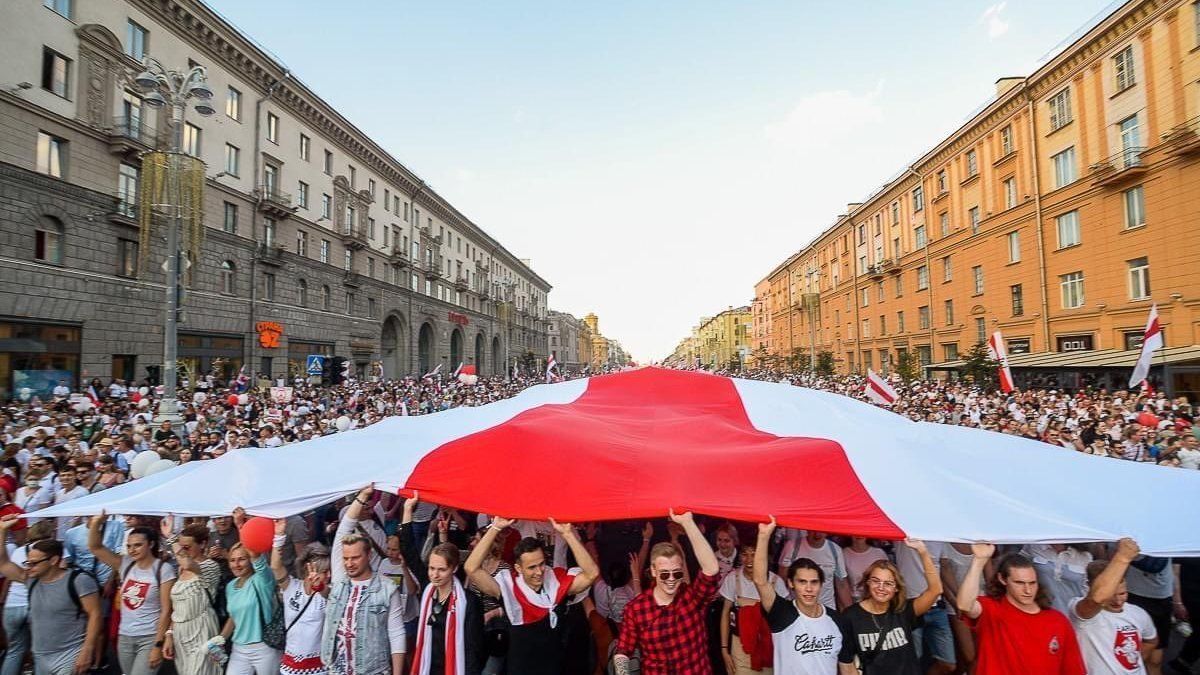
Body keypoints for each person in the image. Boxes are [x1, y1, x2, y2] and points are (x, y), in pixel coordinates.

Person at [465, 515, 600, 675]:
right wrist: (495, 528)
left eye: (542, 564)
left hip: (555, 669)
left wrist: (568, 534)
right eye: (531, 567)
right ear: (519, 568)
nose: (539, 572)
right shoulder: (509, 587)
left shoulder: (556, 581)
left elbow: (592, 573)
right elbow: (471, 568)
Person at [614, 509, 721, 675]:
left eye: (677, 573)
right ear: (654, 571)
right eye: (665, 574)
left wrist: (688, 523)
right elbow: (623, 651)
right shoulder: (636, 609)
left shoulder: (691, 598)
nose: (671, 579)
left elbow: (712, 569)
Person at [956, 543, 1086, 675]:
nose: (1028, 590)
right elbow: (964, 605)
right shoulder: (991, 609)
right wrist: (979, 561)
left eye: (1032, 583)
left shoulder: (1058, 621)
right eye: (1019, 583)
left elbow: (1073, 669)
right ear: (1002, 579)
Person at [0, 514, 103, 675]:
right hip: (41, 655)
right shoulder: (31, 580)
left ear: (54, 560)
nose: (29, 567)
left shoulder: (78, 580)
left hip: (70, 654)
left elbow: (95, 614)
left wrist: (87, 650)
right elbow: (3, 564)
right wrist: (2, 531)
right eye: (28, 562)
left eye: (34, 563)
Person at [752, 516, 855, 675]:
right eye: (802, 582)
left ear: (821, 585)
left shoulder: (838, 621)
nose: (808, 588)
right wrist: (764, 537)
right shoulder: (781, 613)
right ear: (791, 583)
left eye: (814, 582)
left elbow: (847, 668)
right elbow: (760, 580)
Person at [322, 487, 408, 675]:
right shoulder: (340, 578)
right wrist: (361, 497)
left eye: (355, 558)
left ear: (368, 555)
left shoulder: (387, 589)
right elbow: (343, 528)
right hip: (337, 669)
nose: (349, 563)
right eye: (345, 559)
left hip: (374, 670)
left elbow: (396, 633)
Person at [400, 491, 485, 674]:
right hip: (428, 666)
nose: (435, 575)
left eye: (441, 570)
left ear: (454, 569)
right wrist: (407, 510)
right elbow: (408, 551)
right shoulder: (427, 590)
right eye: (431, 569)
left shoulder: (469, 602)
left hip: (455, 668)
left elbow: (473, 649)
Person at [88, 511, 175, 675]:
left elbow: (166, 611)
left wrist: (158, 644)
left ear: (150, 544)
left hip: (149, 637)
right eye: (129, 546)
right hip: (125, 636)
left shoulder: (164, 570)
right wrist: (96, 523)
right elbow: (95, 547)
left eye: (137, 545)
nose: (132, 550)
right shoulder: (125, 564)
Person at [842, 539, 943, 675]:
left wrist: (923, 552)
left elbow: (935, 590)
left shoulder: (903, 609)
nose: (881, 588)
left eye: (888, 583)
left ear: (896, 588)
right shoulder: (850, 616)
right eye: (876, 581)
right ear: (867, 583)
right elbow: (847, 663)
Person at [1069, 538, 1157, 675]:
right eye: (1111, 595)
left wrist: (1130, 664)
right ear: (1090, 587)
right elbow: (1097, 599)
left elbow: (1151, 641)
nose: (1117, 600)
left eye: (1122, 593)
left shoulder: (1138, 613)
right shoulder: (1079, 610)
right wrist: (1122, 557)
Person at [719, 535, 790, 674]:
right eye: (745, 554)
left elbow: (786, 620)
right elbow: (725, 614)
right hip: (740, 648)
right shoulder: (733, 578)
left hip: (769, 648)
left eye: (754, 554)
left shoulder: (776, 582)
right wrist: (724, 649)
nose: (749, 560)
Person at [163, 522, 222, 675]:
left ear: (202, 544)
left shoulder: (210, 566)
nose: (182, 551)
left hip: (203, 630)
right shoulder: (180, 569)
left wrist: (171, 538)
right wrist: (169, 634)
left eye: (186, 547)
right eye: (181, 546)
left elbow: (188, 563)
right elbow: (177, 607)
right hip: (180, 634)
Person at [220, 538, 282, 675]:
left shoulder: (262, 580)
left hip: (264, 647)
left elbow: (261, 565)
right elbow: (234, 617)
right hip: (239, 649)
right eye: (232, 560)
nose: (236, 564)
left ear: (250, 560)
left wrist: (248, 540)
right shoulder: (230, 586)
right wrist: (220, 639)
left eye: (242, 559)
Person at [271, 535, 330, 675]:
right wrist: (279, 535)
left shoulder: (327, 592)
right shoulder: (291, 586)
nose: (328, 575)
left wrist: (320, 587)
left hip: (317, 669)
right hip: (289, 666)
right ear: (306, 567)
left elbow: (328, 594)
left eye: (328, 571)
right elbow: (275, 566)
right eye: (323, 571)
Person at [0, 521, 54, 675]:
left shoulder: (18, 551)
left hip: (13, 605)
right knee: (39, 652)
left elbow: (6, 569)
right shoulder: (50, 550)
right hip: (36, 605)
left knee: (14, 651)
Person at [777, 530, 850, 611]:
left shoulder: (835, 550)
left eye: (821, 530)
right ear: (807, 530)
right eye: (813, 531)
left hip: (826, 608)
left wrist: (849, 614)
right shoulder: (792, 546)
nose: (817, 534)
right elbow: (781, 580)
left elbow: (842, 585)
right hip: (796, 608)